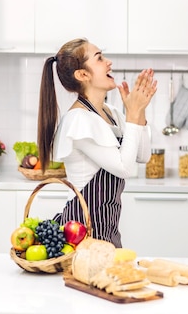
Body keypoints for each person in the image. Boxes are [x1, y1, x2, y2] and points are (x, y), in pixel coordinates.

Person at [37, 38, 157, 247]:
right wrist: (133, 114)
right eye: (99, 58)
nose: (108, 62)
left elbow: (142, 156)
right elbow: (124, 168)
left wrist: (138, 111)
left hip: (107, 225)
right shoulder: (78, 120)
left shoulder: (111, 114)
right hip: (81, 230)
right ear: (83, 75)